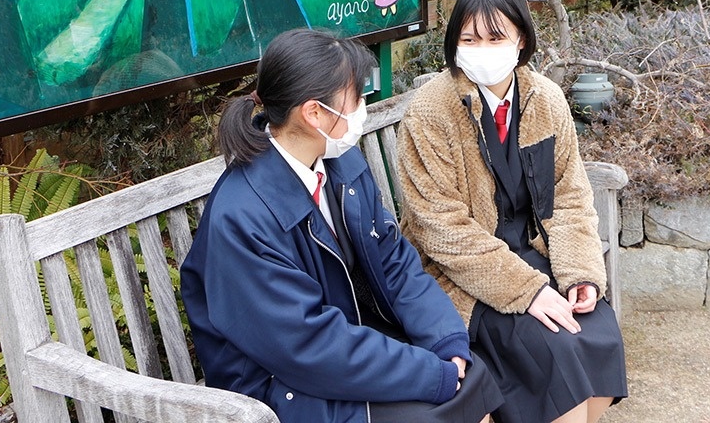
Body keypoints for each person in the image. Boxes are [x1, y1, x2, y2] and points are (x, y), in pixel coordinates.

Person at [181, 28, 502, 423]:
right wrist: (429, 373)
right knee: (440, 405)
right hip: (276, 388)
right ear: (314, 113)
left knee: (469, 380)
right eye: (355, 98)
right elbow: (307, 345)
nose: (362, 107)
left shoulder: (338, 163)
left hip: (341, 349)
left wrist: (445, 339)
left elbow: (395, 262)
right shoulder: (241, 218)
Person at [398, 0, 628, 423]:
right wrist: (528, 292)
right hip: (463, 275)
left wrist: (580, 273)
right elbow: (440, 230)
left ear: (521, 38)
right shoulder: (430, 113)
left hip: (532, 256)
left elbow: (570, 195)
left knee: (599, 332)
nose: (482, 49)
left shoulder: (545, 99)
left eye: (495, 37)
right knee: (554, 346)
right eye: (469, 39)